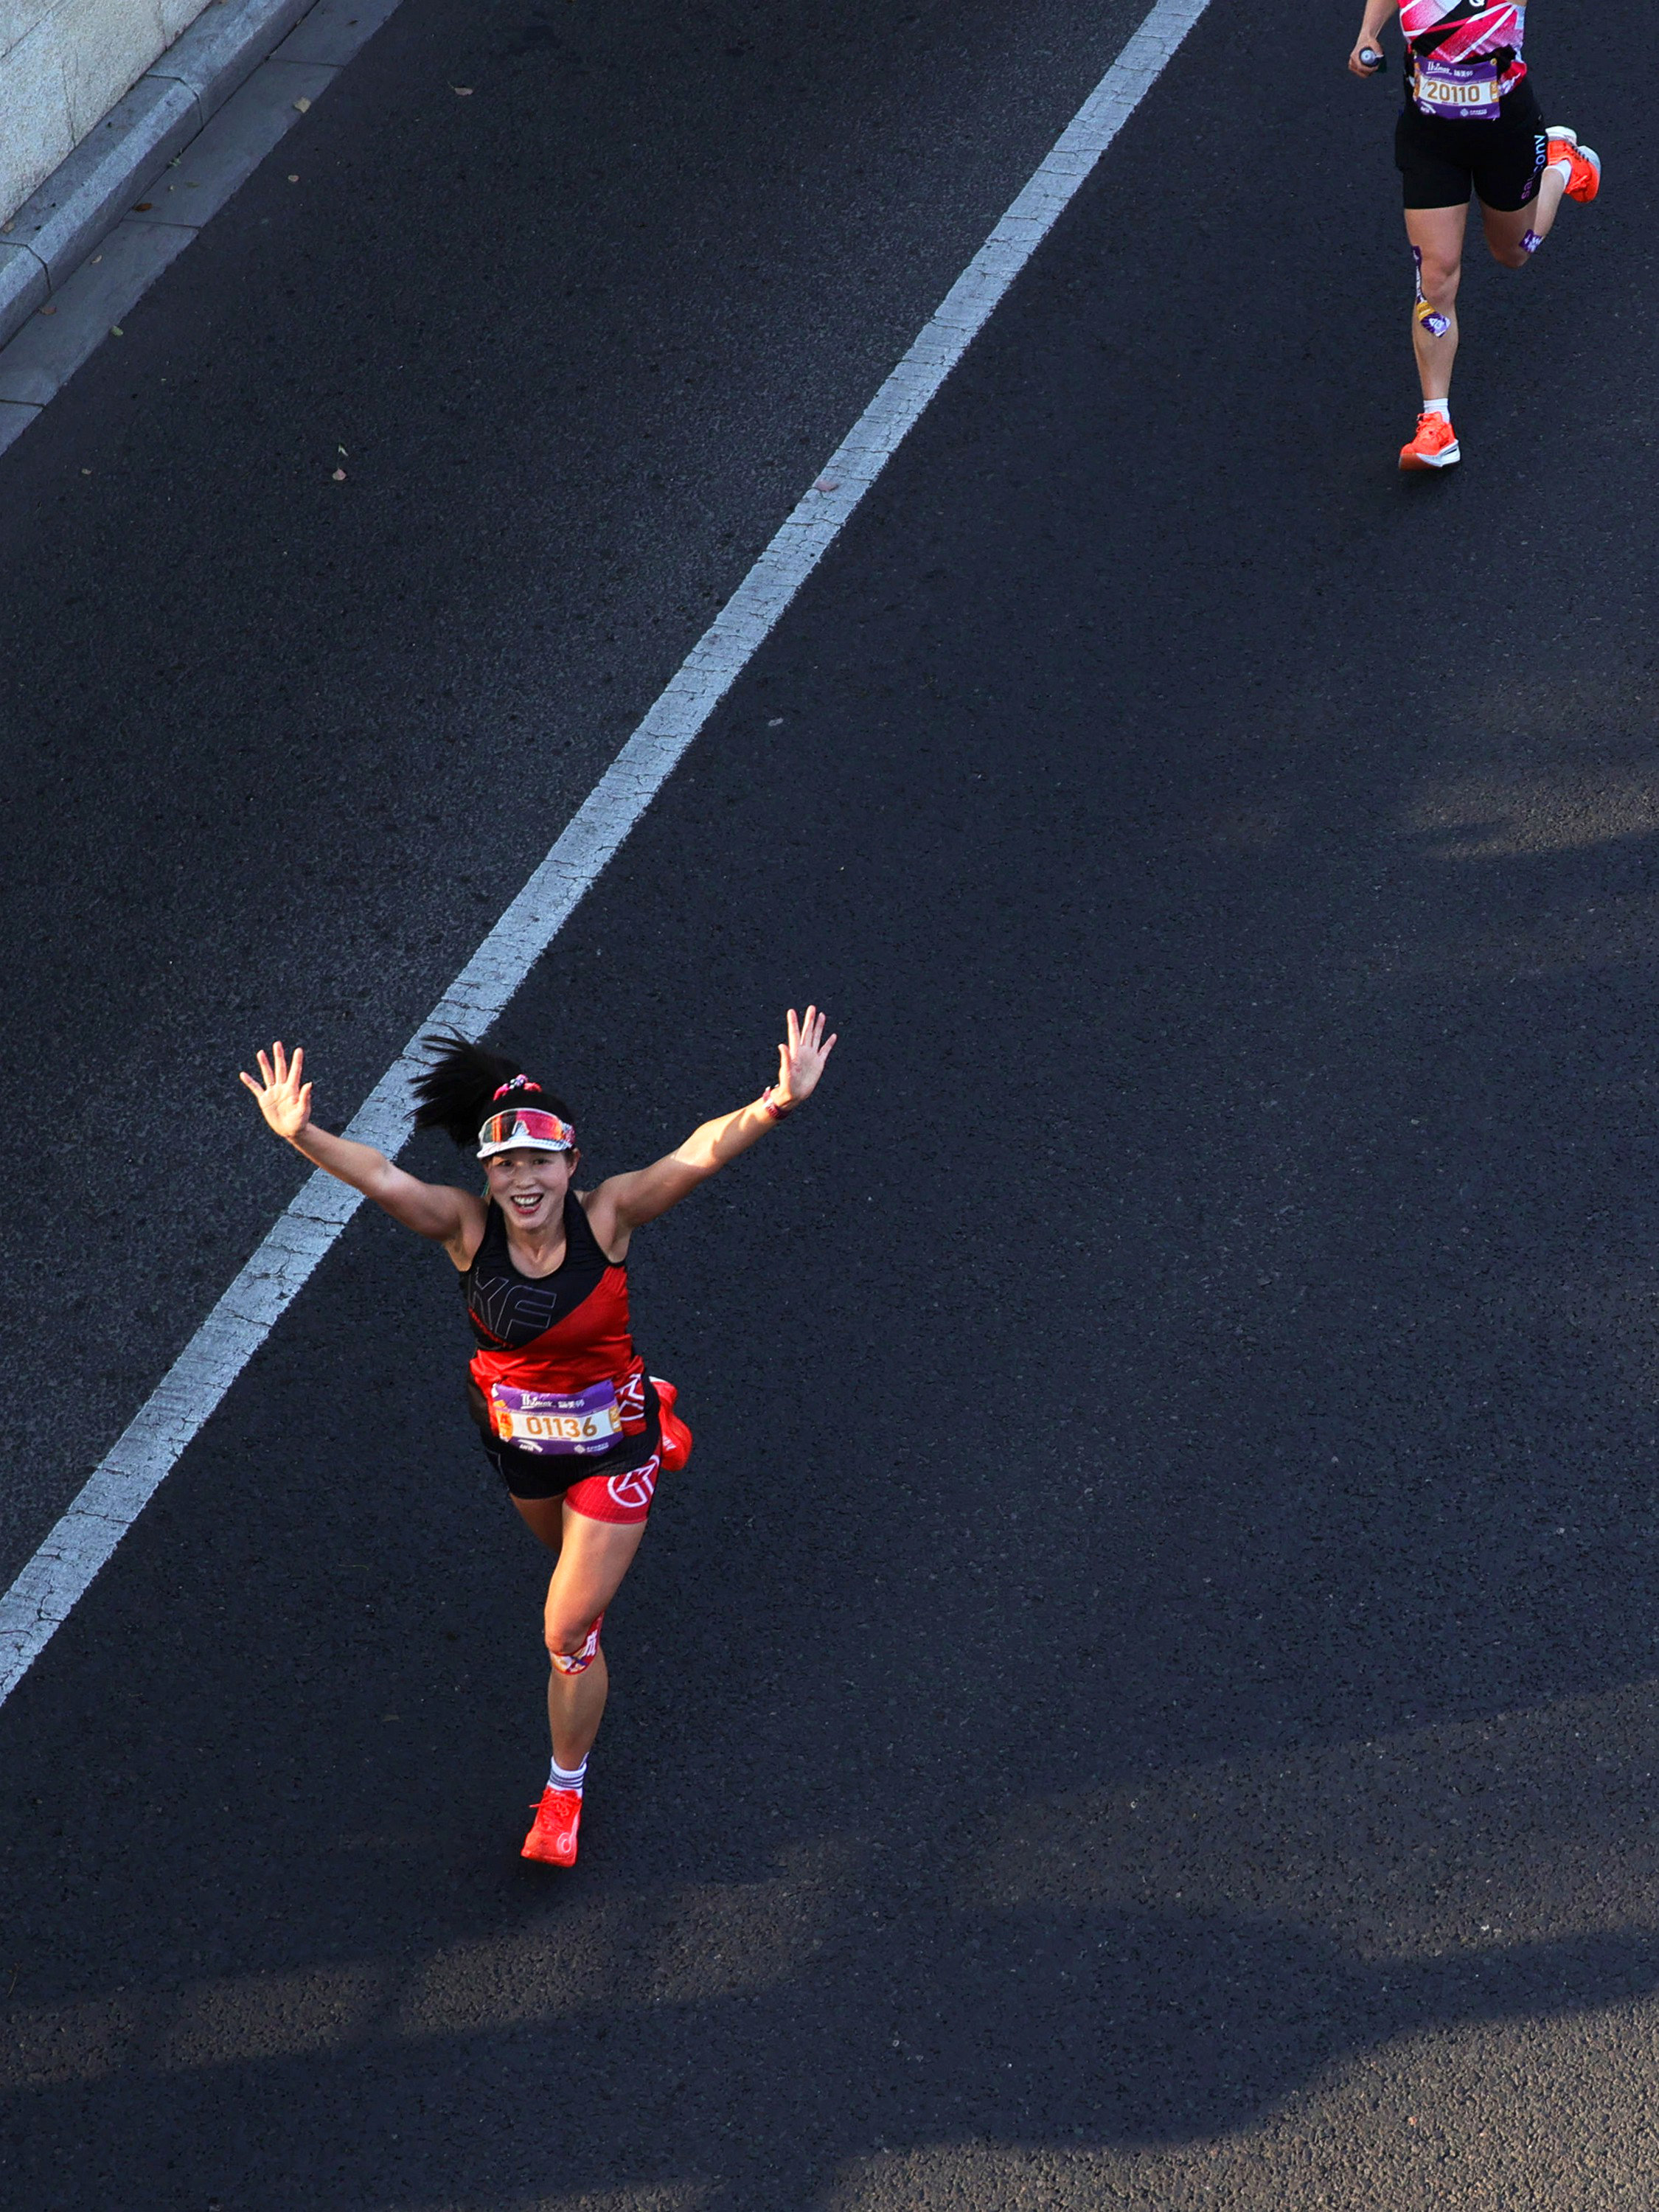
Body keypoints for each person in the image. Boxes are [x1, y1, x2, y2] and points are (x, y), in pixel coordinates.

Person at [240, 1006, 836, 1867]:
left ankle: (563, 1791)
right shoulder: (465, 1229)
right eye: (505, 1164)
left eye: (539, 1162)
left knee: (568, 1631)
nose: (524, 1181)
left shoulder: (608, 1218)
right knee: (567, 1570)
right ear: (487, 1174)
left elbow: (697, 1154)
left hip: (614, 1448)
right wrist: (302, 1135)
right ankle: (651, 1406)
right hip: (521, 1446)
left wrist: (776, 1102)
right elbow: (381, 1176)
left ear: (571, 1166)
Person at [1349, 0, 1601, 470]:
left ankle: (1561, 166)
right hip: (1430, 139)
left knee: (1513, 252)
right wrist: (1368, 32)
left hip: (1506, 136)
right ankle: (1436, 423)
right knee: (1436, 275)